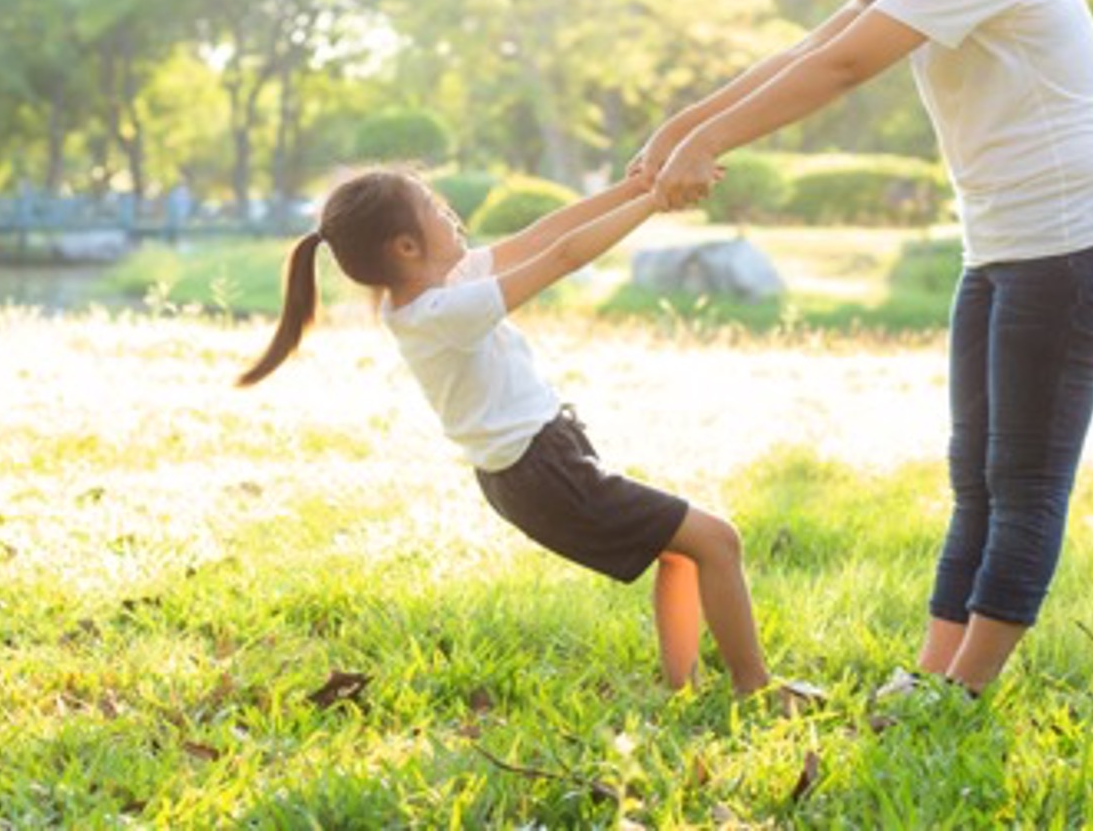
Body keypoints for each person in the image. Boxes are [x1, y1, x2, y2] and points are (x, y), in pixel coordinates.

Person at [635, 0, 1093, 702]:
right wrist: (687, 123)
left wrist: (707, 145)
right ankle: (931, 677)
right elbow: (814, 44)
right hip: (1004, 247)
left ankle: (962, 694)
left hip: (1074, 248)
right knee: (976, 475)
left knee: (1022, 478)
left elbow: (838, 70)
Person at [238, 166, 818, 703]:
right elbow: (563, 256)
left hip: (539, 463)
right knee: (718, 540)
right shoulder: (438, 312)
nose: (450, 215)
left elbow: (545, 234)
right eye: (436, 209)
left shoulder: (436, 288)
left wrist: (633, 186)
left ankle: (683, 690)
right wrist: (653, 202)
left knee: (684, 553)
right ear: (406, 247)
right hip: (543, 475)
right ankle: (757, 690)